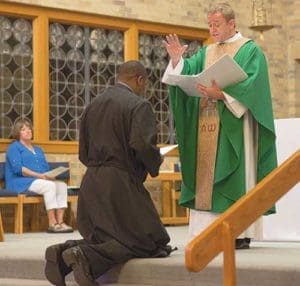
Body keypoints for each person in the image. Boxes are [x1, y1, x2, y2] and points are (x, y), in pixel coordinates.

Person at [44, 60, 173, 286]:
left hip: (92, 181)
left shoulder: (92, 105)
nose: (144, 88)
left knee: (108, 237)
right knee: (148, 242)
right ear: (139, 79)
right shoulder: (138, 105)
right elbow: (142, 145)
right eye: (145, 83)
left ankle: (62, 253)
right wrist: (155, 160)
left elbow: (82, 151)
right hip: (119, 184)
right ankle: (86, 258)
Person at [162, 2, 277, 249]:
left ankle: (239, 231)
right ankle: (209, 230)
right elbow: (187, 74)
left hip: (235, 125)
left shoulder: (249, 50)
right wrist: (177, 60)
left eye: (217, 25)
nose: (212, 30)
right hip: (207, 120)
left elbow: (253, 86)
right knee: (207, 178)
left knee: (237, 173)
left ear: (231, 23)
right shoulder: (206, 51)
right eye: (210, 25)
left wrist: (223, 94)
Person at [5, 119, 73, 233]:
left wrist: (51, 175)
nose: (28, 131)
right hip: (20, 181)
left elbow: (45, 169)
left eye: (29, 128)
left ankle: (60, 222)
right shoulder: (14, 147)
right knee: (49, 186)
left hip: (38, 180)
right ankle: (52, 223)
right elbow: (19, 169)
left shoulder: (38, 149)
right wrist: (39, 176)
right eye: (23, 129)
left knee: (61, 185)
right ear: (18, 133)